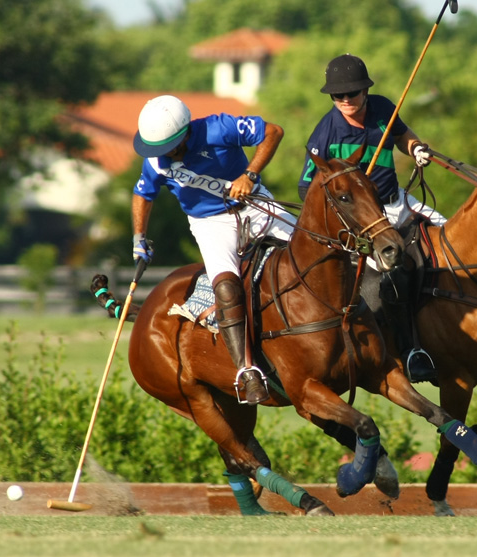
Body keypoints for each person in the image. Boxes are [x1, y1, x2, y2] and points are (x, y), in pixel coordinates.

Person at [131, 95, 296, 405]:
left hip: (254, 204)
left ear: (184, 135)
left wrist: (249, 175)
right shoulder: (154, 161)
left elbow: (273, 132)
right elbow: (143, 195)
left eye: (168, 147)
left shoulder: (219, 128)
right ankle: (247, 371)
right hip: (209, 224)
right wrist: (139, 238)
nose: (162, 155)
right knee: (226, 288)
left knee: (315, 250)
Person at [298, 54, 445, 384]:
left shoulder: (382, 109)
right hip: (361, 220)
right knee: (393, 273)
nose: (346, 101)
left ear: (366, 91)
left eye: (352, 93)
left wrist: (416, 148)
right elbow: (306, 186)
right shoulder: (325, 134)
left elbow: (403, 135)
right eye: (338, 96)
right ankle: (411, 351)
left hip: (395, 200)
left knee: (450, 239)